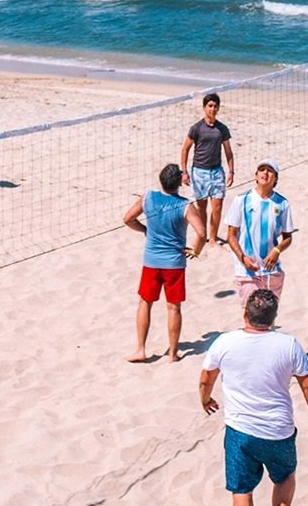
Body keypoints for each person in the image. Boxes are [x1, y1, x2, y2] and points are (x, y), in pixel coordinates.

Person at [199, 291, 308, 506]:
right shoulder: (288, 345)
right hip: (278, 429)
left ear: (245, 313)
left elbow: (206, 378)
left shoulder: (225, 342)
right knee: (285, 477)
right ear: (274, 317)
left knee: (242, 490)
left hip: (240, 430)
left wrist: (205, 399)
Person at [121, 165, 207, 363]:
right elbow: (201, 233)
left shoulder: (148, 197)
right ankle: (172, 353)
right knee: (173, 308)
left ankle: (141, 349)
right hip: (174, 263)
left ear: (161, 180)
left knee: (145, 302)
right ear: (179, 183)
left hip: (151, 261)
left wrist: (145, 230)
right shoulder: (185, 205)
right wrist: (195, 250)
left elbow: (127, 219)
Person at [222, 161, 295, 305]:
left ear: (275, 179)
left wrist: (277, 250)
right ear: (255, 176)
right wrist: (242, 258)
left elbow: (288, 238)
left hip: (271, 271)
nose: (265, 173)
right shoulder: (241, 200)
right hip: (247, 270)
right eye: (262, 170)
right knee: (251, 315)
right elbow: (231, 236)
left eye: (270, 171)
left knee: (270, 316)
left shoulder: (282, 203)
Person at [179, 92, 235, 247]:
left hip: (217, 172)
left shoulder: (222, 129)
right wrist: (184, 172)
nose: (213, 109)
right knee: (201, 208)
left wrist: (231, 171)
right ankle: (202, 236)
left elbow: (228, 152)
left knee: (217, 208)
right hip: (199, 172)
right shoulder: (196, 128)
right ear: (204, 108)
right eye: (210, 106)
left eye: (215, 106)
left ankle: (212, 238)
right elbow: (185, 149)